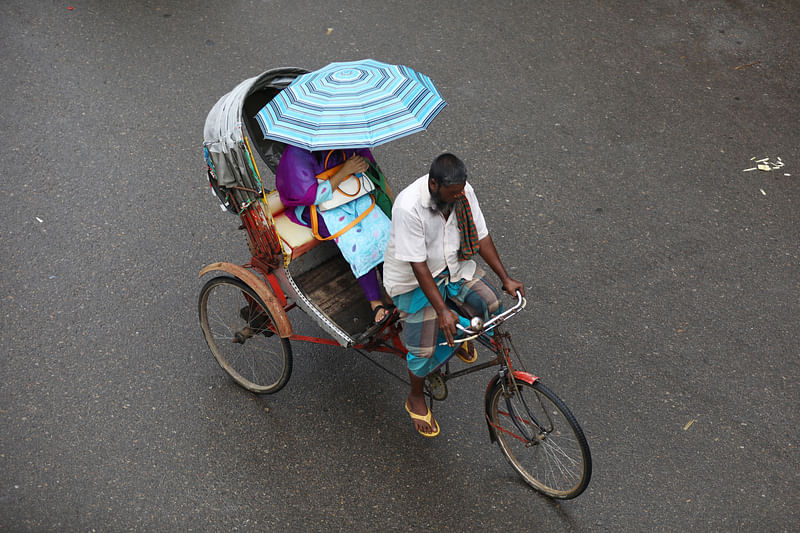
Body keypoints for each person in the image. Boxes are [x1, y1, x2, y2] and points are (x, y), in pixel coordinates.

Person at [383, 153, 525, 437]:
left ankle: (455, 336)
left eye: (460, 191)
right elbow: (419, 265)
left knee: (491, 304)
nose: (458, 197)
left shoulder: (462, 192)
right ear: (433, 184)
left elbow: (481, 236)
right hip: (415, 282)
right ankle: (415, 398)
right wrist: (442, 311)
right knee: (423, 351)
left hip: (453, 268)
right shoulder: (408, 207)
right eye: (451, 194)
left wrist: (505, 277)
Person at [275, 144, 392, 323]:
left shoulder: (344, 133)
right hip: (318, 207)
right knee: (359, 246)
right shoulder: (296, 154)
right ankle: (375, 302)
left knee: (385, 231)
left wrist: (362, 165)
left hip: (353, 192)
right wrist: (344, 170)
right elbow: (312, 195)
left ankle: (393, 289)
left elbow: (366, 159)